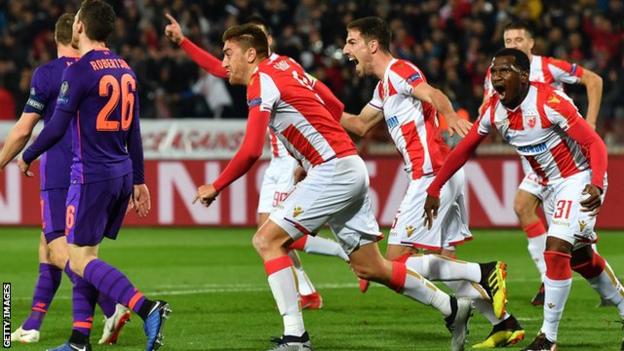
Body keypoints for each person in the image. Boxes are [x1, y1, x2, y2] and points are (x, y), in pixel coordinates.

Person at [195, 23, 473, 351]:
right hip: (347, 166)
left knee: (266, 240)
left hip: (333, 170)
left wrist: (217, 184)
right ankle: (452, 307)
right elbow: (321, 94)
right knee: (371, 267)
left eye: (228, 53)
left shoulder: (261, 81)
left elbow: (252, 149)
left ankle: (296, 337)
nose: (223, 62)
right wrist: (326, 128)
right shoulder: (286, 65)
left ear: (251, 54)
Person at [340, 16, 523, 348]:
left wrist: (450, 115)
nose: (345, 50)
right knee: (446, 264)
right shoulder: (383, 87)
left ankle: (484, 272)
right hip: (443, 175)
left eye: (351, 43)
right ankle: (504, 323)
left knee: (394, 262)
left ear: (372, 45)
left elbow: (432, 93)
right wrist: (314, 103)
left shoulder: (398, 71)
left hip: (432, 175)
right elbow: (358, 125)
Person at [425, 48, 624, 351]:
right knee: (582, 260)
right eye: (493, 72)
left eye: (504, 71)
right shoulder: (494, 110)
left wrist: (596, 183)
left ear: (523, 76)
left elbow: (594, 143)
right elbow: (464, 149)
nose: (496, 78)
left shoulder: (549, 102)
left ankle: (548, 338)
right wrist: (434, 188)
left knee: (556, 249)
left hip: (579, 179)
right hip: (547, 185)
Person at [165, 13, 350, 309]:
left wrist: (343, 126)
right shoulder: (263, 73)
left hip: (295, 160)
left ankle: (337, 260)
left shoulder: (280, 68)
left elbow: (326, 98)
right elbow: (217, 67)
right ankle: (307, 291)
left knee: (273, 234)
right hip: (277, 162)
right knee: (267, 230)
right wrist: (184, 41)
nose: (227, 60)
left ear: (259, 46)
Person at [16, 2, 169, 350]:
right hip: (120, 172)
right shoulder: (125, 68)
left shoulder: (81, 70)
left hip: (90, 175)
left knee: (80, 259)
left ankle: (147, 307)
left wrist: (28, 155)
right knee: (86, 256)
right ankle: (79, 339)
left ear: (80, 26)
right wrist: (139, 179)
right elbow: (135, 131)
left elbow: (55, 126)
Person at [0, 13, 130, 346]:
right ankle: (33, 323)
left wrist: (6, 160)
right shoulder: (103, 69)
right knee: (48, 245)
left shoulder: (49, 73)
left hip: (60, 172)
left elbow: (24, 129)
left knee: (63, 252)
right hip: (100, 168)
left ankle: (111, 306)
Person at [483, 20, 604, 305]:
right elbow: (489, 106)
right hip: (535, 163)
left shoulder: (549, 67)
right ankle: (546, 277)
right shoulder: (497, 71)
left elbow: (594, 80)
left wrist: (591, 122)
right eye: (508, 39)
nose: (513, 44)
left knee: (572, 243)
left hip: (563, 162)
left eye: (518, 39)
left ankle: (604, 291)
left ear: (531, 43)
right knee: (523, 207)